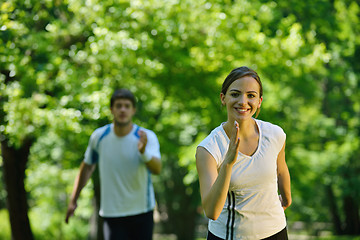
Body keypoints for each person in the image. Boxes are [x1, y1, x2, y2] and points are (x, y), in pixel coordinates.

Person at [196, 66, 291, 240]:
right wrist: (228, 163)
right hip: (230, 236)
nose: (243, 101)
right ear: (223, 98)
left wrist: (286, 198)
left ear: (260, 101)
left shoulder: (275, 134)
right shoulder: (208, 149)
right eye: (235, 94)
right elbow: (211, 211)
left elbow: (281, 169)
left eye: (251, 95)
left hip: (276, 232)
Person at [65, 89, 162, 240]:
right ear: (112, 110)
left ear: (133, 110)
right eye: (118, 106)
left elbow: (157, 169)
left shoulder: (146, 136)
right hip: (112, 214)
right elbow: (87, 167)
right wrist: (73, 200)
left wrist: (144, 152)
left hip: (142, 212)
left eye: (127, 106)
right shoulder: (99, 137)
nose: (122, 109)